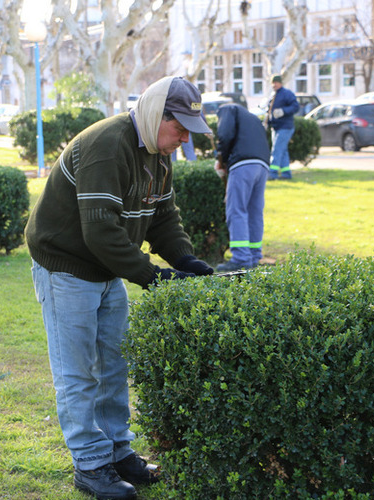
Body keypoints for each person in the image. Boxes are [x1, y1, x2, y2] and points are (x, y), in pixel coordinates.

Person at [25, 76, 215, 500]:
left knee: (114, 363)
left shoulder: (159, 154)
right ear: (155, 114)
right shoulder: (108, 145)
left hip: (106, 267)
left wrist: (185, 260)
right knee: (77, 372)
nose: (185, 139)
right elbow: (101, 232)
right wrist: (155, 277)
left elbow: (162, 217)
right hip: (66, 266)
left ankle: (117, 451)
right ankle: (90, 465)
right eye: (180, 128)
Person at [214, 104, 270, 272]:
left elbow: (225, 134)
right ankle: (254, 256)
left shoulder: (227, 109)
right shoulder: (252, 118)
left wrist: (221, 159)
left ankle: (241, 258)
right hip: (262, 165)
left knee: (236, 210)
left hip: (242, 164)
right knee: (254, 212)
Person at [266, 74, 299, 180]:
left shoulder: (287, 94)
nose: (274, 85)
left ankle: (272, 173)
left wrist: (283, 111)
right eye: (272, 83)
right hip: (276, 127)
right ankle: (286, 173)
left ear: (280, 83)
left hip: (285, 127)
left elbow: (295, 107)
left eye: (276, 82)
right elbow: (270, 111)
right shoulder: (273, 95)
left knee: (277, 150)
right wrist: (267, 123)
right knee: (282, 150)